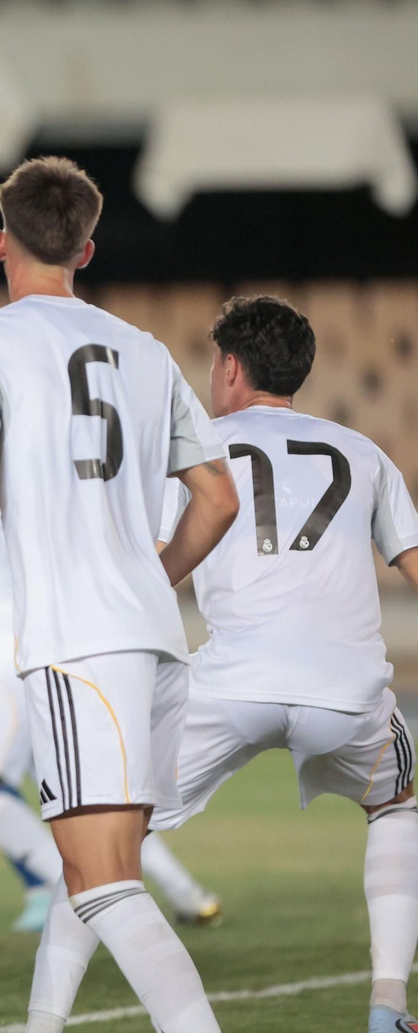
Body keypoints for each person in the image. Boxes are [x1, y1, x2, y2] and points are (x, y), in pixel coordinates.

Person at [0, 156, 239, 1033]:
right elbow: (218, 497)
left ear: (2, 240)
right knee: (95, 870)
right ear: (87, 244)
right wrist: (152, 578)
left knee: (103, 880)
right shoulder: (148, 351)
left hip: (77, 646)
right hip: (153, 639)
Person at [0, 349, 220, 934]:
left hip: (11, 655)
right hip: (55, 643)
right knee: (82, 794)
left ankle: (80, 888)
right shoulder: (43, 467)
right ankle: (172, 890)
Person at [143, 297, 417, 1033]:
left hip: (231, 683)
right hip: (348, 694)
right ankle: (389, 1004)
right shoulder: (364, 452)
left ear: (229, 366)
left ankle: (58, 1014)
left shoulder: (193, 449)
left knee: (105, 830)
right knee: (397, 803)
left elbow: (148, 568)